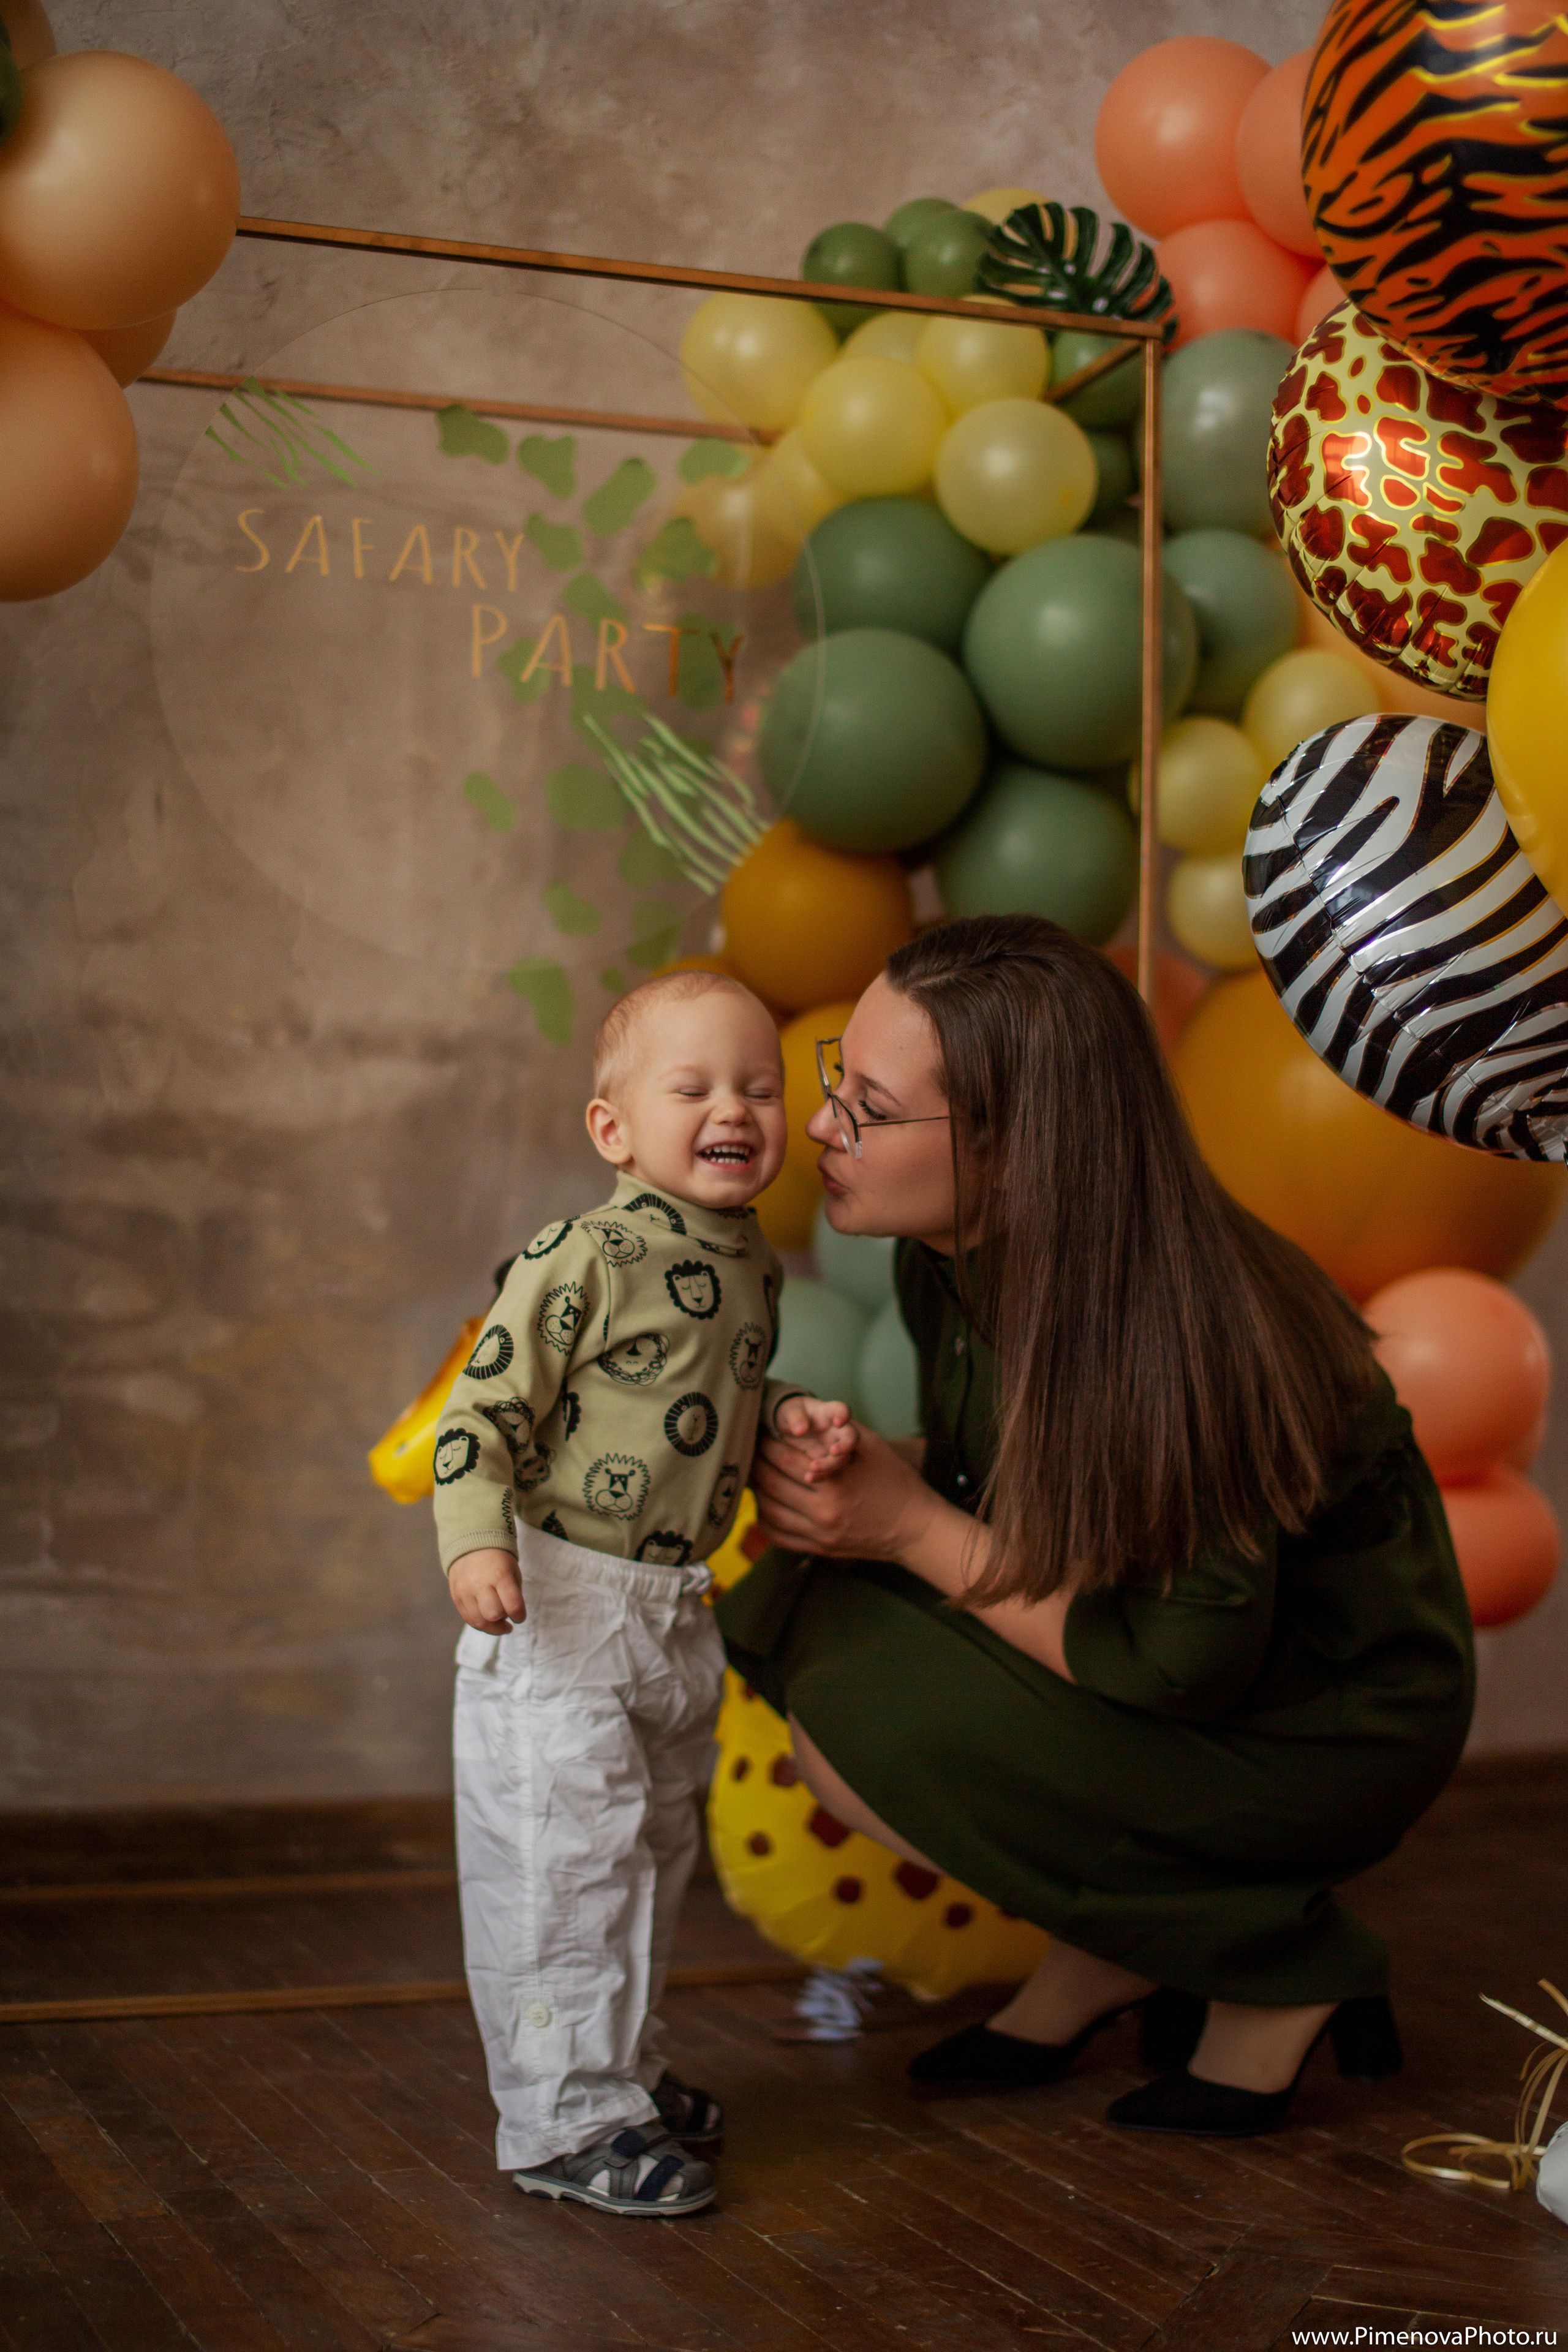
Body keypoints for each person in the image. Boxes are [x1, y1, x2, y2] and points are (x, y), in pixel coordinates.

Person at [717, 914, 1476, 2138]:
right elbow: (1015, 1478)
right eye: (832, 1084)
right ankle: (1114, 1946)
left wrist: (907, 1527)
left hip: (1314, 1720)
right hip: (1185, 1650)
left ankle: (1275, 1969)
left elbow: (1181, 1658)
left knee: (863, 1710)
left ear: (1016, 1150)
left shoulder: (1189, 1334)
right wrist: (876, 1469)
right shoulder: (951, 1254)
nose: (820, 1129)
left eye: (867, 1104)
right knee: (818, 1612)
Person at [434, 969, 853, 2214]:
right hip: (560, 1597)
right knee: (564, 1863)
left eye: (759, 1087)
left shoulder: (749, 1265)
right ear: (613, 1130)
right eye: (695, 1087)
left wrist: (786, 1415)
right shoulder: (583, 1254)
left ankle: (617, 2069)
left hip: (672, 1605)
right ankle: (560, 2122)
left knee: (649, 1855)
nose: (737, 1106)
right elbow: (483, 1410)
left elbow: (696, 1397)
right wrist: (474, 1545)